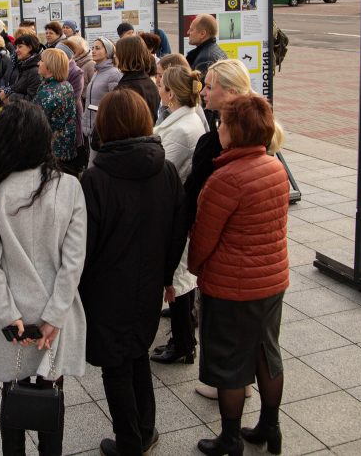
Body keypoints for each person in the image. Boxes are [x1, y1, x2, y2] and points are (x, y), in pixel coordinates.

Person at [0, 101, 87, 456]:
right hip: (54, 311)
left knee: (11, 394)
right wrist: (55, 316)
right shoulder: (70, 187)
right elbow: (73, 262)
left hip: (9, 310)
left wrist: (8, 313)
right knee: (51, 395)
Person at [80, 89, 186, 456]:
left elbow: (85, 245)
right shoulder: (167, 170)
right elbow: (177, 230)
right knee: (138, 351)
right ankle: (145, 430)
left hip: (107, 289)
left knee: (116, 365)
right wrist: (166, 276)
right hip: (150, 282)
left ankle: (129, 441)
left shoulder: (95, 179)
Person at [189, 94, 289, 456]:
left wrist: (194, 268)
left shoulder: (226, 178)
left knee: (230, 362)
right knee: (266, 352)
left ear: (237, 131)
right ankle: (270, 428)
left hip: (232, 286)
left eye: (224, 123)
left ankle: (230, 438)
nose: (219, 127)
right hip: (272, 279)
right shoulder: (274, 166)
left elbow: (203, 238)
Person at [150, 64, 208, 366]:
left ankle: (184, 342)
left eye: (161, 84)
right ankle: (183, 338)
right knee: (180, 276)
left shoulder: (184, 129)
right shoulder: (183, 120)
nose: (158, 88)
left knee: (180, 278)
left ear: (170, 93)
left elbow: (162, 169)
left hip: (177, 211)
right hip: (177, 207)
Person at [34, 48, 78, 171]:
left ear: (50, 66)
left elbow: (37, 124)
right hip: (67, 149)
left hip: (53, 154)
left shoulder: (48, 92)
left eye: (41, 61)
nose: (38, 63)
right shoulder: (65, 84)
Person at [81, 37, 122, 156]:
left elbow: (115, 104)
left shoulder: (113, 73)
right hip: (91, 129)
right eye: (92, 48)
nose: (93, 51)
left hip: (102, 130)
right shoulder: (97, 72)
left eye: (97, 48)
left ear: (108, 52)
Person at [114, 35, 159, 122]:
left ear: (126, 55)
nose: (115, 56)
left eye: (117, 53)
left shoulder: (127, 87)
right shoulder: (149, 83)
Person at [0, 32, 42, 102]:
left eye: (20, 47)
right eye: (16, 47)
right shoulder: (23, 65)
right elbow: (18, 86)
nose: (16, 51)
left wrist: (10, 97)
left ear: (30, 47)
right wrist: (6, 90)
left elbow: (32, 99)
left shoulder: (35, 70)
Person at [185, 14, 225, 78]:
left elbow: (198, 87)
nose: (188, 32)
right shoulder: (219, 52)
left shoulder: (205, 59)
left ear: (202, 34)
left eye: (191, 30)